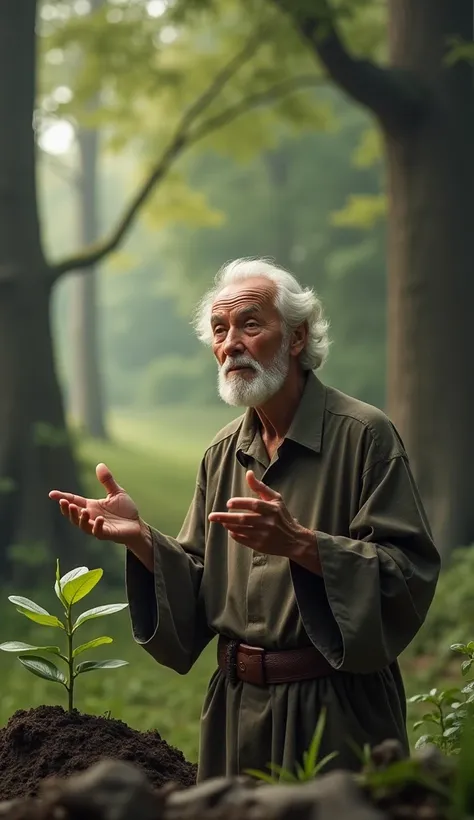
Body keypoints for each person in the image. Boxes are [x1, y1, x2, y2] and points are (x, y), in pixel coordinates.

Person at [49, 257, 441, 781]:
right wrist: (143, 541)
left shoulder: (365, 436)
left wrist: (303, 545)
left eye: (250, 324)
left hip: (339, 709)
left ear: (297, 338)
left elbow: (407, 574)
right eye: (220, 329)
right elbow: (198, 585)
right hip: (235, 715)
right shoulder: (221, 452)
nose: (230, 342)